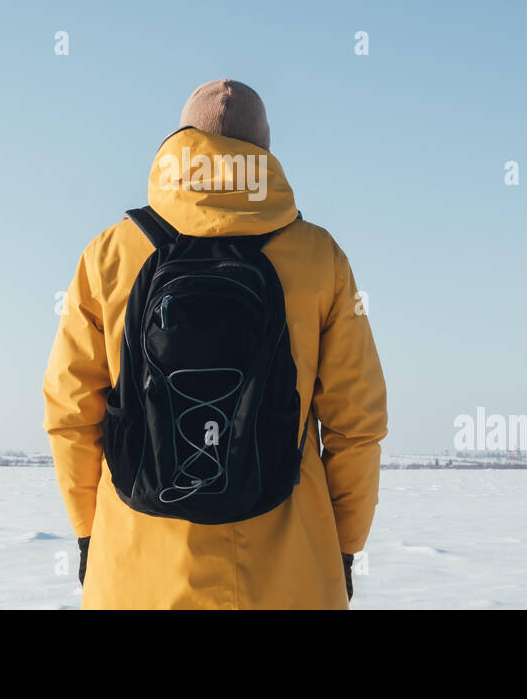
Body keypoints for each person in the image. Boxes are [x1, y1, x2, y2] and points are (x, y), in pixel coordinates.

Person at [43, 78, 388, 609]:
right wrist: (344, 549)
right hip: (291, 573)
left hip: (138, 575)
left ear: (180, 142)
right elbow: (355, 424)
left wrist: (91, 536)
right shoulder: (321, 258)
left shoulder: (108, 256)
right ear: (264, 156)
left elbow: (71, 414)